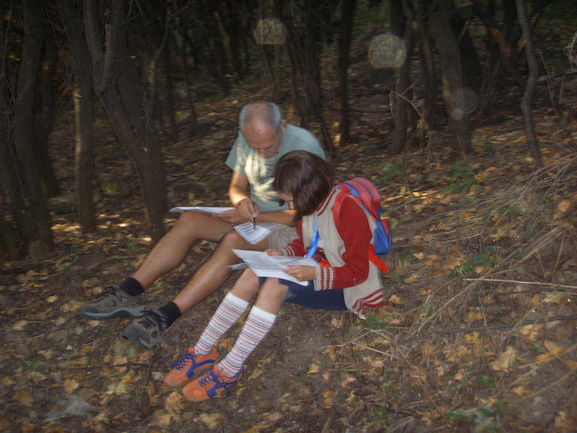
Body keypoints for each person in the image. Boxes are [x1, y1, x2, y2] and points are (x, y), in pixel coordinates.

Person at [78, 102, 325, 349]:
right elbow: (236, 187)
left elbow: (305, 212)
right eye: (255, 147)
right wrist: (242, 204)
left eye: (268, 147)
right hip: (254, 220)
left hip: (292, 229)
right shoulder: (248, 136)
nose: (261, 153)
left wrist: (252, 218)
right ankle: (129, 291)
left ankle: (166, 316)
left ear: (283, 127)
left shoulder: (304, 146)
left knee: (235, 240)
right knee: (190, 219)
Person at [163, 151, 386, 402]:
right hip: (316, 269)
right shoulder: (311, 205)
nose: (290, 207)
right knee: (252, 272)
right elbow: (306, 244)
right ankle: (202, 350)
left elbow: (358, 272)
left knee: (274, 284)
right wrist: (284, 253)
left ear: (308, 190)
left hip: (348, 288)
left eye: (291, 200)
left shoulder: (348, 210)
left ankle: (230, 368)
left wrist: (316, 272)